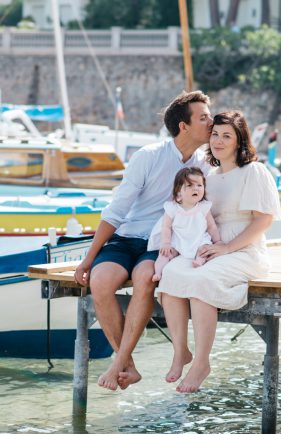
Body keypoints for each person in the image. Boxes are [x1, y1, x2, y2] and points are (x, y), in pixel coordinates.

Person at [73, 91, 214, 391]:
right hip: (125, 238)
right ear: (183, 127)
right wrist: (88, 258)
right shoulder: (148, 156)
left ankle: (116, 362)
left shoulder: (205, 165)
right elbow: (116, 211)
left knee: (145, 279)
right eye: (203, 117)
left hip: (159, 245)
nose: (210, 122)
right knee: (99, 282)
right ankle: (129, 366)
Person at [157, 110, 281, 393]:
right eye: (215, 134)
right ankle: (181, 351)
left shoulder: (254, 171)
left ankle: (202, 362)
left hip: (244, 250)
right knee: (170, 276)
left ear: (240, 141)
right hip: (209, 248)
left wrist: (226, 248)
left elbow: (264, 220)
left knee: (202, 281)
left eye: (227, 136)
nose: (219, 140)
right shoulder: (207, 176)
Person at [148, 167, 221, 282]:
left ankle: (199, 261)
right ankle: (158, 272)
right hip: (178, 239)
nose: (195, 189)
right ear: (178, 192)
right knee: (164, 254)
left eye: (199, 185)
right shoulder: (172, 208)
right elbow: (166, 227)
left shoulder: (203, 207)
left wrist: (217, 241)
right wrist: (166, 243)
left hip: (198, 238)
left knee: (204, 249)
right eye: (190, 186)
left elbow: (211, 226)